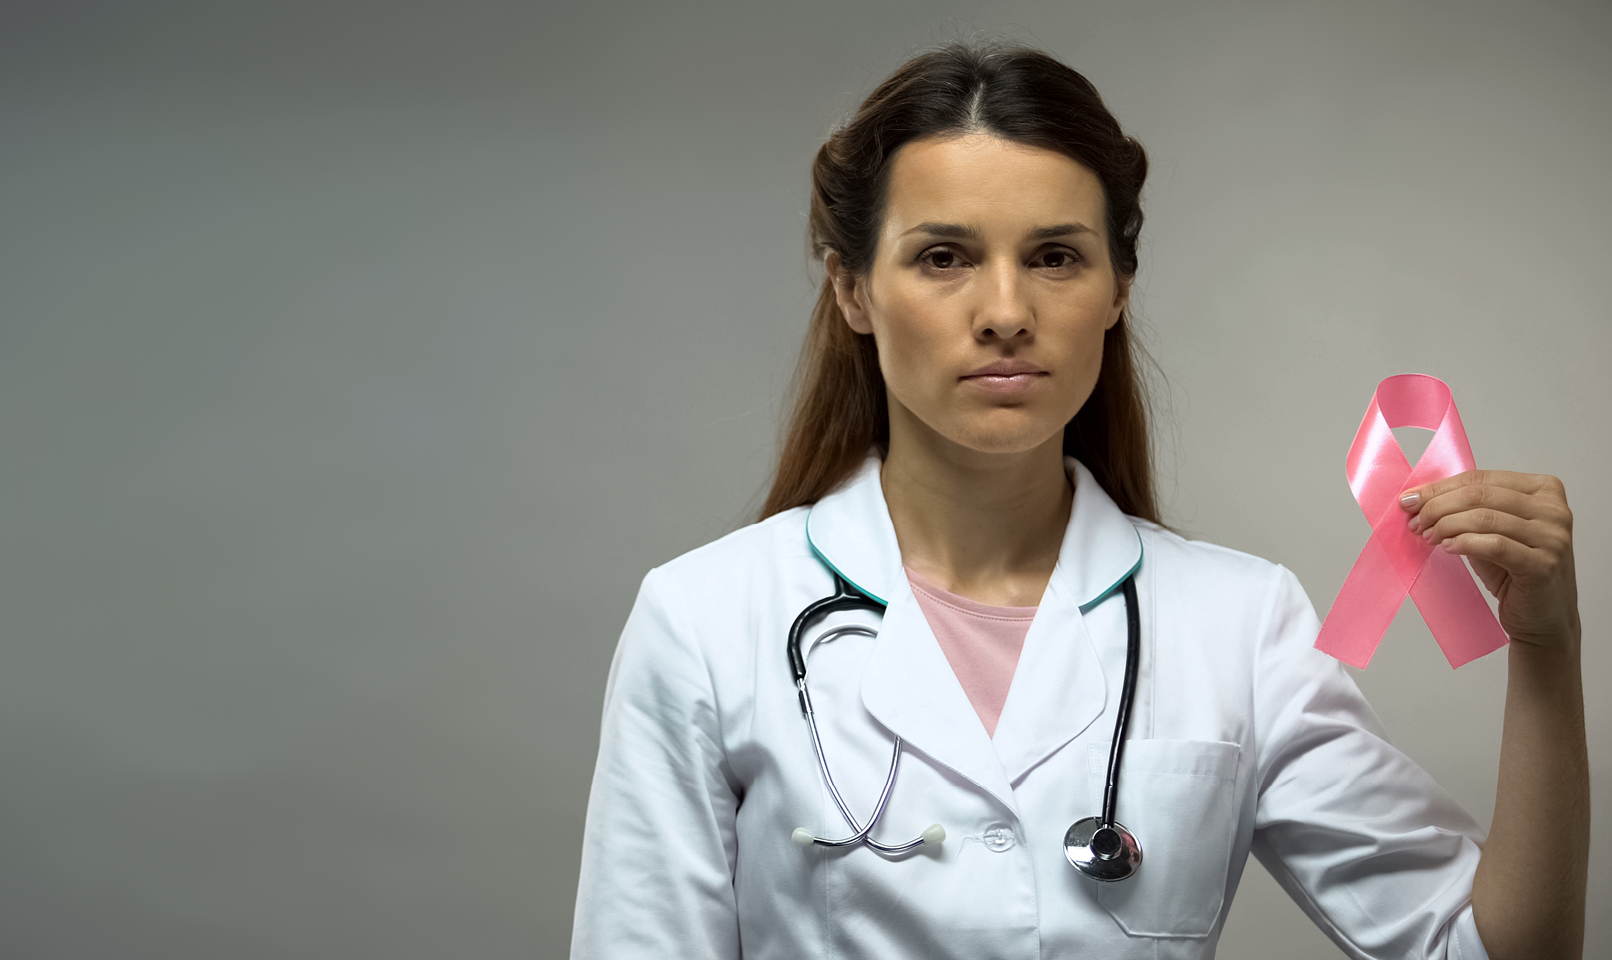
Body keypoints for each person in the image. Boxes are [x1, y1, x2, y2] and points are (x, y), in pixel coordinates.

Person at [568, 43, 1585, 960]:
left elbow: (1485, 952)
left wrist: (1546, 647)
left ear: (1118, 288)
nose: (1006, 313)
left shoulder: (1238, 623)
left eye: (1055, 257)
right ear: (852, 292)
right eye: (943, 256)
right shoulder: (705, 621)